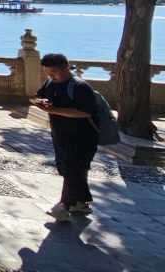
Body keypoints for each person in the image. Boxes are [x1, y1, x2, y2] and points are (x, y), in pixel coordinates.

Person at [33, 53, 99, 222]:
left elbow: (84, 112)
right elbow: (39, 95)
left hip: (83, 136)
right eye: (47, 72)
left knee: (73, 169)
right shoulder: (50, 83)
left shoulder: (80, 86)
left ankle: (64, 206)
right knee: (67, 169)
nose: (50, 75)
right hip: (60, 134)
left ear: (66, 68)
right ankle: (81, 202)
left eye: (54, 72)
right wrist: (41, 101)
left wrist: (54, 110)